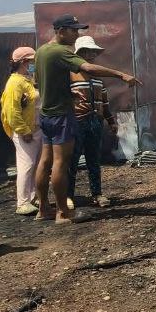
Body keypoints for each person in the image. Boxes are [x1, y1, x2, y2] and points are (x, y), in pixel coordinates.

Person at [34, 14, 140, 223]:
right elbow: (89, 68)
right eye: (73, 30)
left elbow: (37, 83)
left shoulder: (41, 52)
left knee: (45, 162)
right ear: (61, 31)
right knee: (61, 163)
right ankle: (63, 212)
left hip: (46, 115)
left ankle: (43, 209)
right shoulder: (61, 51)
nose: (76, 34)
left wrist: (65, 92)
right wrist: (121, 75)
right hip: (62, 116)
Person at [68, 35, 117, 207]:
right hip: (77, 121)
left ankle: (97, 194)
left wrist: (111, 121)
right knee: (72, 160)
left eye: (93, 52)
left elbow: (104, 102)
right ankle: (68, 196)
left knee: (94, 159)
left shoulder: (98, 79)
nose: (91, 55)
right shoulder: (70, 76)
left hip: (96, 121)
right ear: (79, 54)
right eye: (87, 51)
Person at [0, 46, 39, 215]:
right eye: (32, 61)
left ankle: (33, 197)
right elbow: (11, 111)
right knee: (26, 165)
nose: (34, 64)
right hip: (26, 130)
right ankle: (22, 203)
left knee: (34, 165)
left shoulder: (27, 79)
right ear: (24, 62)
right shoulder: (14, 83)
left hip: (35, 128)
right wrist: (23, 130)